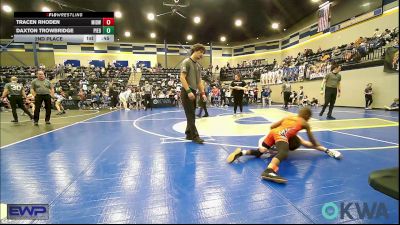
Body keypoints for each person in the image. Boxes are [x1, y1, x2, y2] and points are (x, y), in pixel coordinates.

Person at [226, 107, 342, 183]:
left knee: (260, 151)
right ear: (307, 117)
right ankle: (269, 171)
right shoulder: (304, 123)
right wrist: (325, 149)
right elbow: (312, 143)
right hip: (280, 136)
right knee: (283, 153)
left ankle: (242, 152)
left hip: (273, 133)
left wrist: (274, 138)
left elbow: (272, 127)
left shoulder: (289, 117)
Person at [180, 43, 207, 144]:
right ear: (195, 50)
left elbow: (199, 82)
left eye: (203, 53)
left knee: (190, 114)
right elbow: (182, 78)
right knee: (191, 115)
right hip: (187, 92)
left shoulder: (198, 66)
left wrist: (203, 93)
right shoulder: (186, 62)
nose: (202, 55)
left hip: (193, 92)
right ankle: (195, 136)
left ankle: (188, 133)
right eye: (201, 52)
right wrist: (188, 91)